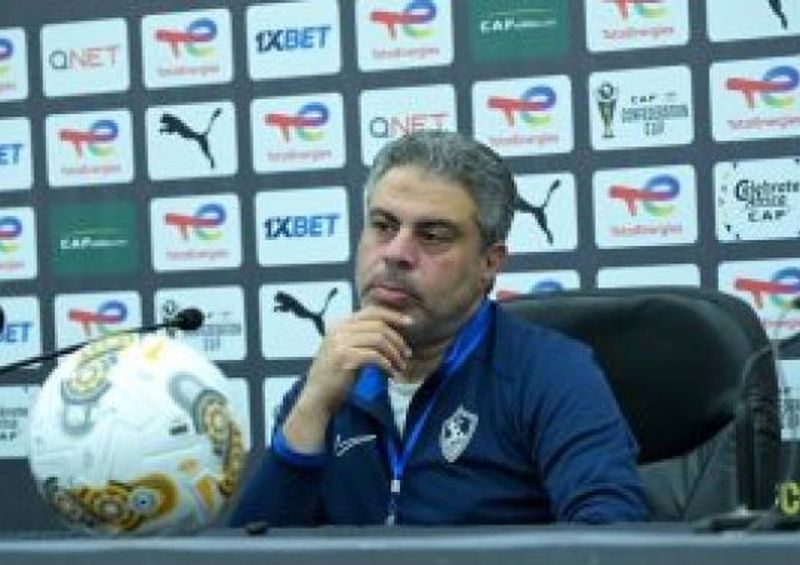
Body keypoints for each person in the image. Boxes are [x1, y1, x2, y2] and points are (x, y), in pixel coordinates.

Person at [230, 130, 648, 527]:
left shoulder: (553, 374)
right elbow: (245, 562)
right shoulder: (326, 383)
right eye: (383, 226)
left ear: (489, 263)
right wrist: (312, 409)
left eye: (432, 236)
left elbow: (612, 545)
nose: (396, 253)